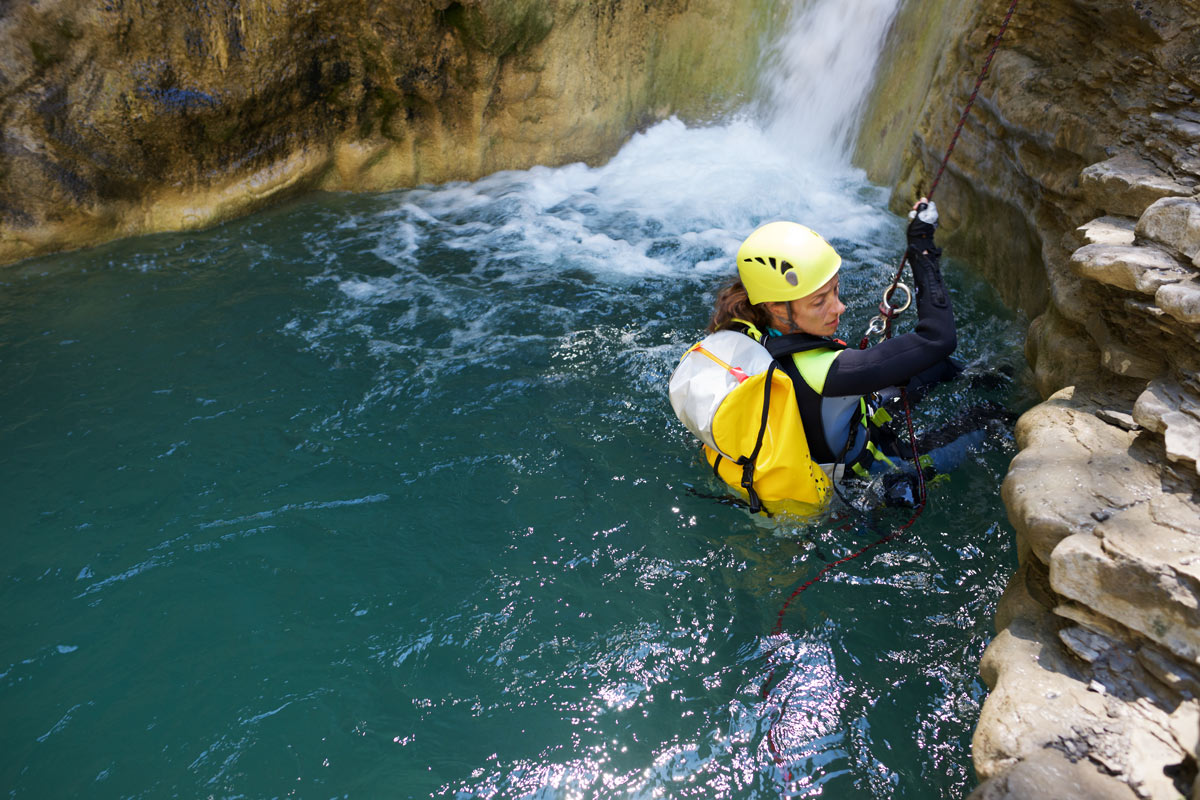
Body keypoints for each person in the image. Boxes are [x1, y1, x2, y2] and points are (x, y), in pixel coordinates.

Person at [706, 200, 1001, 504]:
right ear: (775, 307)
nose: (839, 307)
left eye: (835, 289)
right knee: (989, 417)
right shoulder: (830, 372)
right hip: (868, 474)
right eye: (819, 301)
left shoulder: (742, 328)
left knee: (939, 367)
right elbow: (938, 338)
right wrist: (922, 246)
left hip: (841, 417)